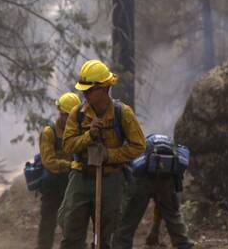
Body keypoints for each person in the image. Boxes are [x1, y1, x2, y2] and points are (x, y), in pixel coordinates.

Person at [59, 59, 146, 249]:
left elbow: (138, 146)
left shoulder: (122, 113)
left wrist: (109, 155)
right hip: (81, 178)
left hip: (110, 180)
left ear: (104, 88)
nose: (84, 93)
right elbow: (68, 145)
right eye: (83, 89)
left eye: (89, 90)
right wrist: (89, 136)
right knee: (70, 235)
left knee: (108, 238)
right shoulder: (77, 113)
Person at [112, 134, 195, 249]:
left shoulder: (141, 146)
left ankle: (121, 246)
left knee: (129, 219)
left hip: (144, 181)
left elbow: (131, 169)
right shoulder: (170, 147)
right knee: (173, 215)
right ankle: (184, 244)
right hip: (168, 180)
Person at [37, 92, 81, 249]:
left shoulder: (77, 132)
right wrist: (69, 165)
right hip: (52, 185)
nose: (71, 119)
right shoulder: (49, 133)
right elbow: (48, 161)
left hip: (72, 184)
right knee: (48, 223)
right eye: (68, 115)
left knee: (72, 224)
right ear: (61, 113)